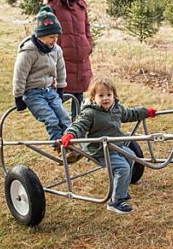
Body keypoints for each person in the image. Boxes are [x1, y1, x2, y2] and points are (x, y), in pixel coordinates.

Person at [60, 77, 157, 215]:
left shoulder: (116, 109)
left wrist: (146, 112)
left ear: (114, 96)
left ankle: (121, 189)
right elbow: (79, 125)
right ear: (93, 98)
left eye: (108, 95)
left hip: (115, 144)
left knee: (132, 157)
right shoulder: (90, 113)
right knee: (122, 167)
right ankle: (116, 202)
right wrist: (70, 134)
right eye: (101, 95)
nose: (105, 98)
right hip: (99, 149)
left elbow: (131, 114)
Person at [12, 6, 76, 162]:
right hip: (32, 93)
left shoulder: (56, 50)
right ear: (40, 36)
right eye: (51, 37)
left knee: (63, 116)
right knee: (51, 119)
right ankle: (59, 148)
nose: (54, 40)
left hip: (50, 90)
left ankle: (72, 145)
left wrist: (61, 87)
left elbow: (61, 69)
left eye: (56, 37)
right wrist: (18, 96)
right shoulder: (29, 52)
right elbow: (19, 75)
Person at [44, 0, 94, 106]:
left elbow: (87, 28)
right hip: (63, 59)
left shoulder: (81, 6)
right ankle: (59, 126)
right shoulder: (53, 5)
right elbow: (44, 30)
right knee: (59, 98)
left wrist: (88, 45)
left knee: (78, 98)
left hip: (81, 60)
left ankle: (77, 124)